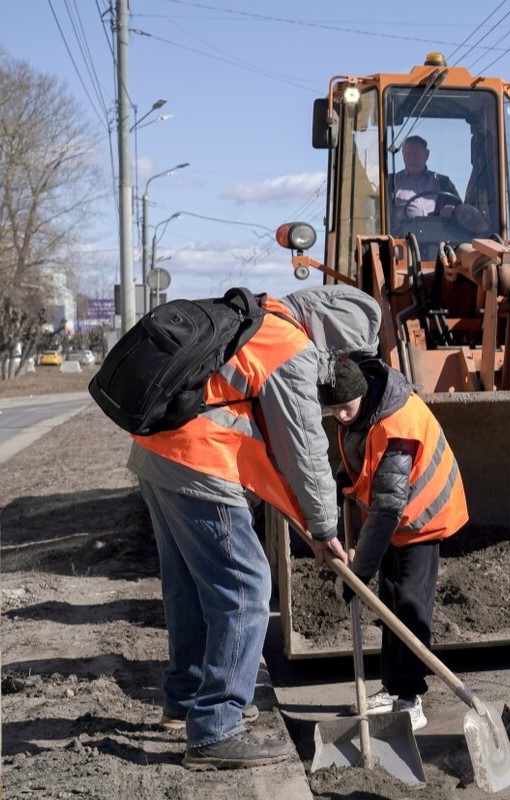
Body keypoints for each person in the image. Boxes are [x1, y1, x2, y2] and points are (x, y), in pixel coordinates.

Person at [126, 285, 381, 770]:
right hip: (200, 462)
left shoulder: (257, 319)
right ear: (335, 336)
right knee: (246, 587)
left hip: (155, 455)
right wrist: (326, 527)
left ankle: (185, 697)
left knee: (187, 582)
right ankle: (216, 727)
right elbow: (303, 449)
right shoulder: (291, 349)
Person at [318, 357, 468, 730]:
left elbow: (387, 507)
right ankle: (393, 687)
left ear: (361, 396)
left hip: (423, 515)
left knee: (409, 606)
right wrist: (344, 477)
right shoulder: (363, 407)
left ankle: (411, 699)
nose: (340, 416)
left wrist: (358, 573)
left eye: (345, 408)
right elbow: (364, 454)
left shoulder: (397, 425)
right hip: (398, 514)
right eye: (333, 410)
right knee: (391, 599)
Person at [389, 135, 460, 223]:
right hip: (402, 236)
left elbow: (461, 211)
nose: (411, 159)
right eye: (407, 155)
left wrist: (452, 210)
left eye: (416, 154)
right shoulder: (390, 183)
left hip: (440, 235)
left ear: (427, 155)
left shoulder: (443, 183)